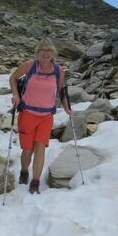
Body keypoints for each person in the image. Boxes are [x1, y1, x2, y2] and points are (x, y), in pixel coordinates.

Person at [9, 39, 71, 194]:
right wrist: (16, 95)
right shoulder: (29, 65)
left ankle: (35, 181)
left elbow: (61, 91)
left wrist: (67, 108)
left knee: (40, 147)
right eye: (43, 50)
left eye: (49, 50)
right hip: (27, 114)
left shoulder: (58, 71)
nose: (46, 53)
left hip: (46, 116)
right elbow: (13, 78)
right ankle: (24, 170)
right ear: (38, 52)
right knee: (27, 149)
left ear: (53, 53)